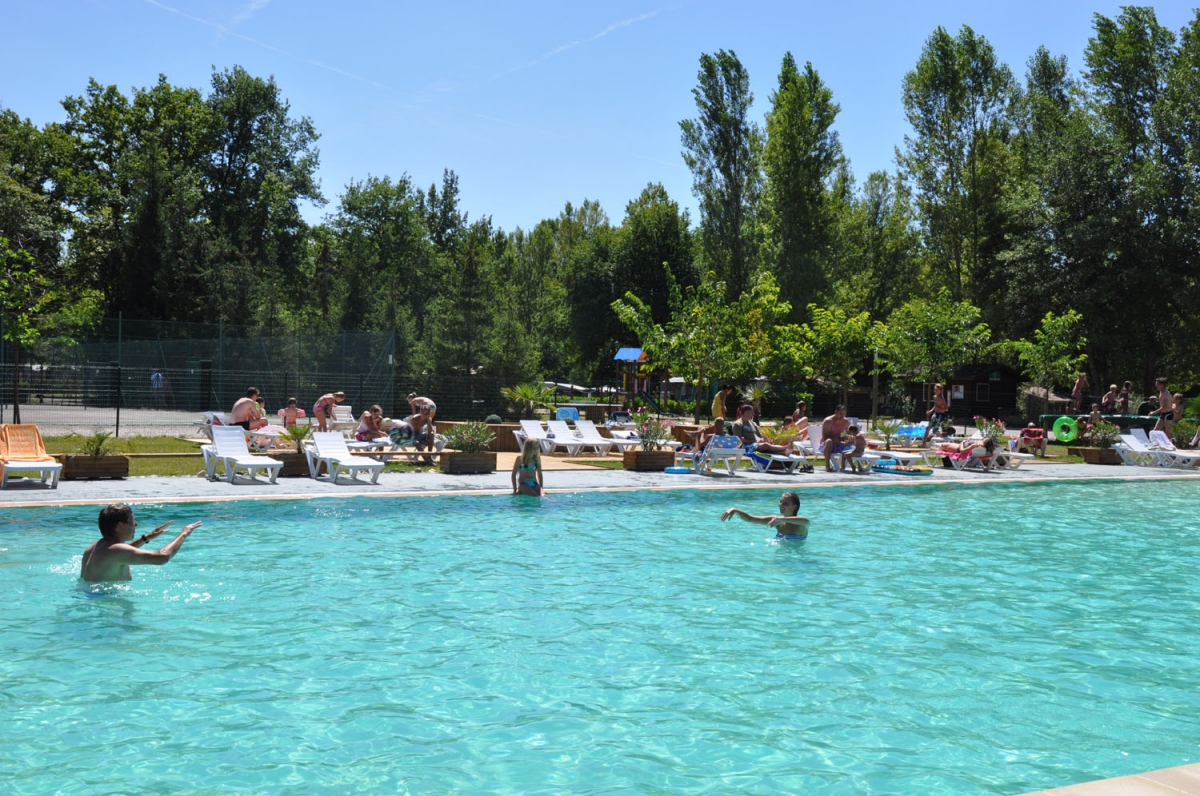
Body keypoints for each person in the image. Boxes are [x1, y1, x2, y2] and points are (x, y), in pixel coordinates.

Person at [80, 504, 202, 583]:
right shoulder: (115, 551)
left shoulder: (93, 548)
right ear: (120, 526)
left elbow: (122, 552)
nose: (136, 524)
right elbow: (162, 557)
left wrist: (146, 538)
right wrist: (184, 534)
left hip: (95, 599)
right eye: (132, 520)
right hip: (109, 605)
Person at [720, 492, 810, 540]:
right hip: (781, 557)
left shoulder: (800, 524)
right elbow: (750, 518)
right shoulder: (777, 521)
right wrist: (735, 510)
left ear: (794, 507)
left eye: (785, 503)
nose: (781, 505)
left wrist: (781, 519)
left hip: (797, 559)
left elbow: (806, 521)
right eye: (780, 502)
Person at [821, 404, 853, 472]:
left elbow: (848, 433)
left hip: (840, 443)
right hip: (828, 444)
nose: (842, 416)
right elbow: (825, 437)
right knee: (829, 441)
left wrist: (849, 437)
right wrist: (834, 438)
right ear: (836, 412)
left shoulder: (846, 422)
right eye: (840, 414)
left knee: (856, 440)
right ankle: (827, 466)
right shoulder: (828, 421)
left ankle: (858, 465)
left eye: (844, 414)